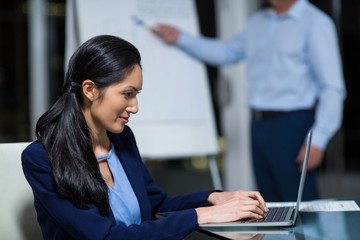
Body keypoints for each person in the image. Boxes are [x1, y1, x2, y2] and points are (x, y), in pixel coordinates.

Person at [21, 35, 267, 240]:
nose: (135, 107)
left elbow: (156, 204)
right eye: (127, 94)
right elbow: (104, 237)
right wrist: (201, 215)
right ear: (90, 89)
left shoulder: (122, 138)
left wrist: (212, 198)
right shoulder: (42, 158)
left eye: (136, 94)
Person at [152, 0, 346, 202]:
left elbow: (331, 87)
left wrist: (319, 140)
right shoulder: (257, 23)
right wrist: (180, 38)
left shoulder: (316, 22)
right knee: (269, 205)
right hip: (258, 124)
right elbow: (225, 52)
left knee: (301, 205)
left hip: (292, 126)